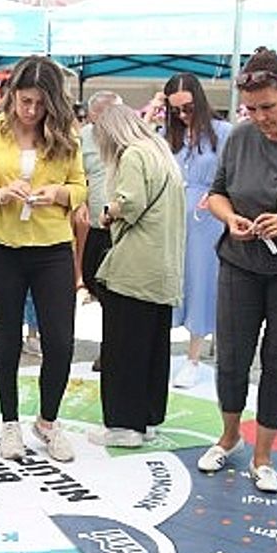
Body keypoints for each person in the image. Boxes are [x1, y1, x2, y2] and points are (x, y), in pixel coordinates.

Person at [195, 48, 277, 494]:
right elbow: (217, 192)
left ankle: (264, 455)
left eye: (268, 107)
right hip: (239, 262)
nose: (261, 118)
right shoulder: (240, 137)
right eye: (251, 109)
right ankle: (229, 436)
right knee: (232, 356)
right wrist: (230, 219)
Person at [0, 55, 86, 464]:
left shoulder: (66, 135)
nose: (31, 111)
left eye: (39, 103)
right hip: (2, 248)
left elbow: (80, 187)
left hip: (52, 248)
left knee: (60, 341)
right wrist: (1, 194)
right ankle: (10, 423)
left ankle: (48, 422)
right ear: (12, 95)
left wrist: (58, 194)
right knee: (6, 340)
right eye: (25, 101)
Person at [87, 104, 185, 448]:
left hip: (134, 268)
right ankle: (148, 419)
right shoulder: (161, 153)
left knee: (122, 349)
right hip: (163, 267)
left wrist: (107, 212)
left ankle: (124, 425)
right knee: (153, 349)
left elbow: (129, 203)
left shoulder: (131, 156)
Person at [165, 73, 232, 388]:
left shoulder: (223, 133)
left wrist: (219, 195)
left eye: (187, 108)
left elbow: (234, 176)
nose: (182, 115)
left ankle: (194, 357)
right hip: (172, 219)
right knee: (172, 282)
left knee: (202, 283)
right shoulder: (167, 135)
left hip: (207, 221)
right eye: (175, 109)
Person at [76, 90, 122, 372]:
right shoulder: (84, 138)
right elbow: (76, 174)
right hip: (95, 225)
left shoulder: (130, 138)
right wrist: (79, 201)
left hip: (122, 228)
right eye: (96, 119)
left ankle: (112, 350)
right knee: (95, 285)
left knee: (115, 292)